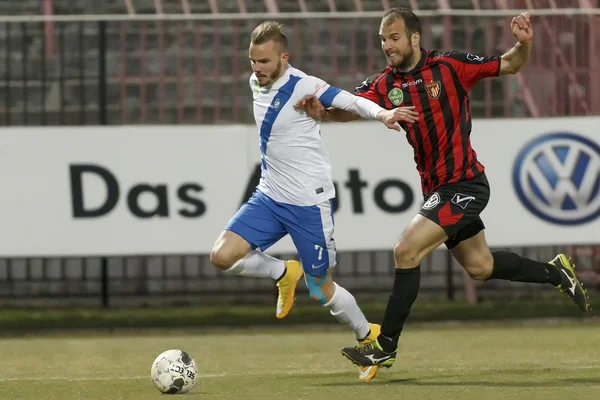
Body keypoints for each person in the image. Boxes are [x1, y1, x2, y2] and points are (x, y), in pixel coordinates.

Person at [294, 8, 592, 370]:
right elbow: (353, 108)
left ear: (415, 38)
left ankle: (384, 344)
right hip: (437, 188)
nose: (388, 46)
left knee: (406, 250)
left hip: (464, 184)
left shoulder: (450, 67)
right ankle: (556, 272)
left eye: (394, 38)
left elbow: (510, 64)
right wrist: (322, 112)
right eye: (383, 39)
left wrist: (523, 43)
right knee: (481, 266)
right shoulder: (386, 84)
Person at [209, 20, 418, 381]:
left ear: (284, 58)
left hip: (308, 203)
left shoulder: (304, 85)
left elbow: (349, 100)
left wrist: (383, 113)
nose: (256, 69)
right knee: (222, 256)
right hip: (270, 195)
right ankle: (283, 271)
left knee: (321, 291)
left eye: (264, 62)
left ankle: (368, 336)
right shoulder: (254, 83)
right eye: (252, 61)